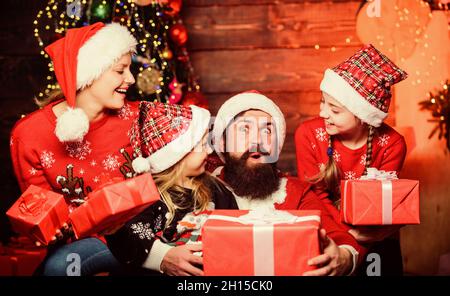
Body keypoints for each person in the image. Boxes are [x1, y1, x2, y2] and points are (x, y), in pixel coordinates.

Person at [10, 22, 139, 275]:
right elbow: (39, 211)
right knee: (61, 268)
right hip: (80, 244)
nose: (131, 79)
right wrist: (50, 227)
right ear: (88, 74)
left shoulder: (138, 117)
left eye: (130, 69)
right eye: (120, 70)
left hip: (142, 234)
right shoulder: (29, 134)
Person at [211, 91, 366, 276]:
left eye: (267, 131)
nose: (257, 141)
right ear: (222, 142)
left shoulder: (296, 192)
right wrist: (165, 255)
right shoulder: (202, 188)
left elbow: (341, 240)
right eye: (245, 129)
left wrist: (344, 257)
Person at [294, 44, 408, 275]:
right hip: (326, 231)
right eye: (322, 102)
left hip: (375, 238)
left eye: (335, 109)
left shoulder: (392, 144)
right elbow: (315, 196)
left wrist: (360, 241)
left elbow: (384, 207)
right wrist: (347, 241)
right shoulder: (308, 134)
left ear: (363, 116)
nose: (324, 113)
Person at [105, 101, 238, 276]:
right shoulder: (148, 194)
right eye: (202, 144)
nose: (209, 151)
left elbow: (236, 230)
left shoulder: (217, 190)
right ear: (178, 153)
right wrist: (161, 256)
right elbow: (131, 239)